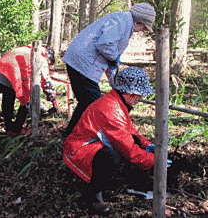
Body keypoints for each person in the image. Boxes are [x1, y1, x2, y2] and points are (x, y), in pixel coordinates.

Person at [62, 67, 172, 215]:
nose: (139, 98)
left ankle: (130, 183)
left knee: (129, 145)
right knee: (110, 156)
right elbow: (129, 150)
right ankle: (92, 196)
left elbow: (130, 131)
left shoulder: (116, 101)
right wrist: (156, 161)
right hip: (79, 149)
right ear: (126, 92)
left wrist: (147, 145)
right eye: (136, 94)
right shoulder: (111, 109)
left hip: (92, 143)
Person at [62, 3, 156, 138]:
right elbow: (105, 45)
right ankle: (79, 139)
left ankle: (70, 136)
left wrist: (114, 82)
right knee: (94, 105)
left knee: (86, 103)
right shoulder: (122, 20)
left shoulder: (124, 23)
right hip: (84, 63)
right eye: (143, 28)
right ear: (139, 23)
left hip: (82, 63)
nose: (141, 31)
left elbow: (110, 58)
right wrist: (114, 58)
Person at [0, 45, 59, 143]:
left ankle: (11, 129)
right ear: (48, 57)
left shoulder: (24, 49)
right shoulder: (40, 59)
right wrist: (54, 101)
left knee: (10, 97)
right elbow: (46, 82)